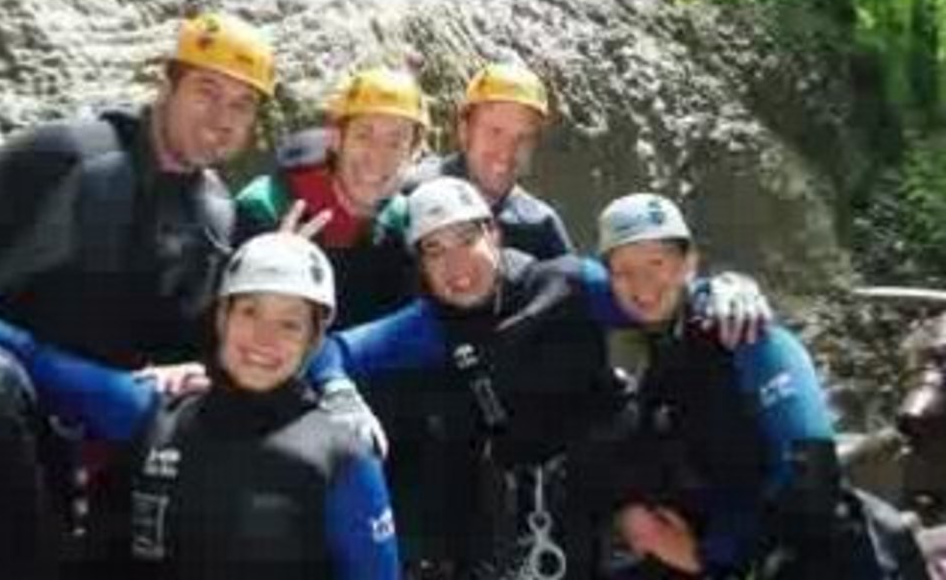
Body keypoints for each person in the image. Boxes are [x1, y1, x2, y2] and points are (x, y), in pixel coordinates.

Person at [307, 177, 771, 579]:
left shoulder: (566, 284)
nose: (456, 265)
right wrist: (339, 391)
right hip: (527, 504)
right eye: (434, 250)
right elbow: (333, 349)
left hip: (622, 483)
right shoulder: (430, 324)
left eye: (466, 239)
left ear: (495, 233)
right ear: (422, 266)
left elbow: (651, 295)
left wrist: (716, 289)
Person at [0, 11, 276, 576]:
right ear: (166, 85)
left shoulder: (217, 216)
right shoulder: (68, 157)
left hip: (101, 434)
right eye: (207, 92)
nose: (222, 119)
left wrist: (196, 370)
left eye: (242, 106)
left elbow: (196, 346)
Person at [0, 233, 400, 580]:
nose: (264, 337)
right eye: (250, 311)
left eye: (290, 323)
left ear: (313, 340)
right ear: (222, 317)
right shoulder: (151, 413)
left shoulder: (344, 456)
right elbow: (34, 356)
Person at [590, 193, 908, 579]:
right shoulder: (663, 355)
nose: (643, 284)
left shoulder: (743, 331)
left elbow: (809, 471)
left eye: (657, 262)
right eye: (624, 270)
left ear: (689, 263)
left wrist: (713, 557)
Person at [235, 66, 428, 327]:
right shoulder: (264, 208)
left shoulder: (406, 224)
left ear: (413, 155)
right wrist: (268, 271)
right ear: (337, 140)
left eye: (395, 142)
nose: (377, 156)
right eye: (363, 135)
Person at [407, 62, 573, 259]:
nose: (506, 151)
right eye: (495, 132)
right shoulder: (410, 194)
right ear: (464, 130)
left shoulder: (541, 228)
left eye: (523, 138)